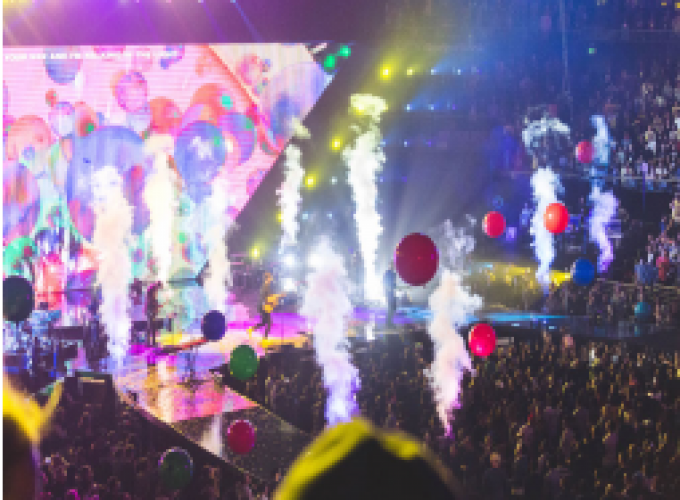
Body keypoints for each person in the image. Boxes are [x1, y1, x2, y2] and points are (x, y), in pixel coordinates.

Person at [250, 272, 275, 339]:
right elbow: (264, 298)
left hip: (263, 306)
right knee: (269, 323)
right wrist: (270, 301)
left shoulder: (266, 286)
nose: (271, 279)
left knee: (264, 322)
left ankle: (251, 329)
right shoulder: (265, 287)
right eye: (270, 277)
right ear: (268, 278)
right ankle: (265, 338)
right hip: (264, 307)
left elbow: (267, 297)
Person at [145, 282, 162, 347]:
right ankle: (150, 342)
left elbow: (152, 301)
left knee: (151, 327)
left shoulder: (152, 289)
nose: (158, 290)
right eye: (159, 288)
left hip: (150, 310)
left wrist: (157, 306)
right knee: (151, 327)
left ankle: (150, 342)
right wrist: (156, 306)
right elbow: (152, 301)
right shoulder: (153, 289)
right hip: (150, 310)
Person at [383, 262, 397, 328]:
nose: (393, 266)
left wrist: (394, 287)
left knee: (393, 307)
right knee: (390, 307)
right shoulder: (387, 273)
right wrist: (388, 289)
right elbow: (385, 282)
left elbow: (394, 283)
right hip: (388, 292)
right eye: (392, 265)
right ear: (389, 265)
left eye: (393, 265)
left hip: (392, 292)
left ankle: (390, 322)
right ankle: (388, 322)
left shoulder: (394, 274)